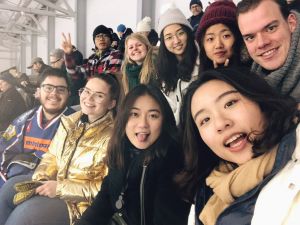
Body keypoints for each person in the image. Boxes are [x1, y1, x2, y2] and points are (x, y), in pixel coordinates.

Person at [176, 67, 299, 225]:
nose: (220, 123)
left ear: (259, 101)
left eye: (230, 103)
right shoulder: (206, 195)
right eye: (205, 120)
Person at [0, 73, 120, 225]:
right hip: (57, 184)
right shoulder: (70, 121)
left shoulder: (116, 136)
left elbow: (108, 189)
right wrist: (41, 180)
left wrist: (60, 188)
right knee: (9, 189)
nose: (89, 98)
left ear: (111, 103)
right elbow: (51, 157)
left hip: (82, 203)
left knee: (27, 213)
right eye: (87, 91)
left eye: (99, 96)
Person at [75, 84, 190, 225]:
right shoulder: (122, 151)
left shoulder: (172, 162)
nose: (143, 124)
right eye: (134, 114)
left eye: (153, 116)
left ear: (164, 121)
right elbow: (103, 202)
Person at [0, 68, 74, 187]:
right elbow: (4, 149)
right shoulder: (24, 120)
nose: (54, 93)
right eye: (48, 88)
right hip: (14, 180)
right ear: (38, 91)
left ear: (68, 94)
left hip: (50, 187)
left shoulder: (77, 124)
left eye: (61, 89)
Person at [237, 0, 300, 102]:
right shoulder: (252, 80)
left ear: (291, 23)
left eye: (271, 28)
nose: (261, 43)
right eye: (250, 37)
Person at [156, 5, 200, 124]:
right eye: (169, 37)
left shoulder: (203, 63)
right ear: (164, 43)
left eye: (180, 33)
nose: (176, 41)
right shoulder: (164, 69)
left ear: (188, 33)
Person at [196, 1, 251, 72]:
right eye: (210, 39)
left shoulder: (255, 70)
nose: (218, 45)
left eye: (225, 36)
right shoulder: (199, 76)